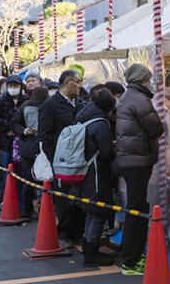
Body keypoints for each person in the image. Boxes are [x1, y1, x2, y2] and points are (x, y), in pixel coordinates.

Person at [115, 63, 164, 275]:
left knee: (136, 207)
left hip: (130, 159)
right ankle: (131, 261)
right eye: (148, 78)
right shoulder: (140, 99)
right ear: (143, 79)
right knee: (137, 210)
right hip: (137, 161)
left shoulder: (128, 96)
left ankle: (131, 256)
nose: (150, 81)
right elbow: (155, 128)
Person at [39, 69, 84, 245]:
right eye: (77, 81)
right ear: (67, 82)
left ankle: (77, 232)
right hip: (60, 161)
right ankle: (65, 233)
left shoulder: (78, 104)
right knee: (63, 198)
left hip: (78, 159)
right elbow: (44, 135)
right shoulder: (50, 105)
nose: (80, 85)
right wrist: (54, 159)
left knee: (79, 197)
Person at [73, 88, 117, 267]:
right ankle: (91, 255)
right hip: (97, 173)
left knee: (91, 213)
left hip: (85, 171)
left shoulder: (84, 116)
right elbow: (106, 152)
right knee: (97, 212)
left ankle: (88, 248)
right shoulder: (101, 123)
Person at [0, 75, 29, 204]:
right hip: (6, 141)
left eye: (15, 85)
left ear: (20, 86)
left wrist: (19, 129)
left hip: (23, 141)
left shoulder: (26, 100)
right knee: (7, 172)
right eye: (10, 85)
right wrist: (9, 127)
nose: (13, 88)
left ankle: (22, 203)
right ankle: (7, 202)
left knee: (22, 173)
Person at [13, 87, 48, 219]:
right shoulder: (25, 107)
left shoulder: (51, 106)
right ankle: (26, 210)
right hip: (30, 146)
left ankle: (44, 208)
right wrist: (23, 130)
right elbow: (15, 124)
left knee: (44, 180)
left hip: (43, 147)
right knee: (28, 181)